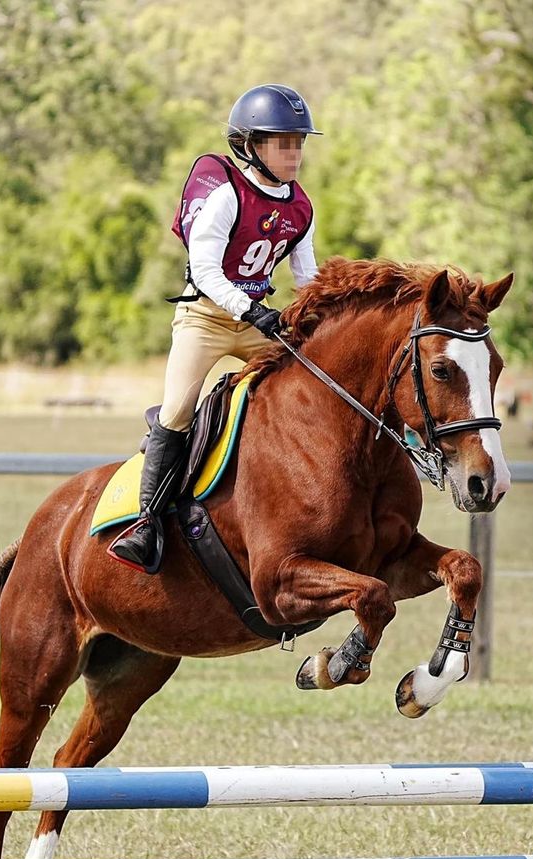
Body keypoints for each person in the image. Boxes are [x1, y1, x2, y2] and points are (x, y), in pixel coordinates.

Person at [109, 84, 322, 573]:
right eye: (283, 142)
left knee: (309, 389)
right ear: (250, 145)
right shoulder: (227, 193)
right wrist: (251, 309)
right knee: (180, 409)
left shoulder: (301, 208)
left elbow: (307, 277)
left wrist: (314, 318)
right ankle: (145, 523)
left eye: (299, 142)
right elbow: (205, 270)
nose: (295, 152)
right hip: (205, 317)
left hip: (257, 321)